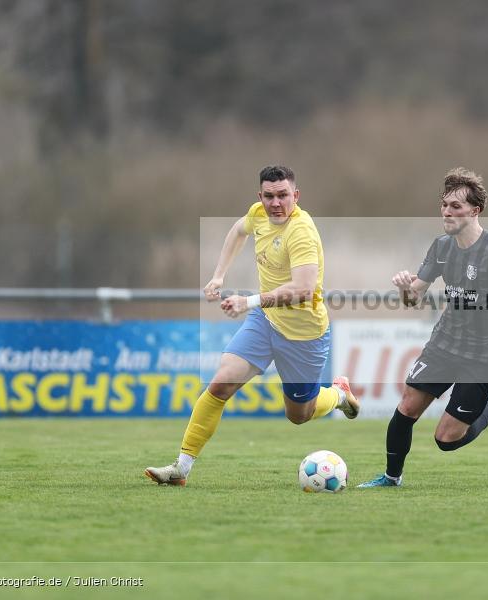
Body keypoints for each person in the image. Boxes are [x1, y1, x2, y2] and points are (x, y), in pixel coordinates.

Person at [145, 165, 359, 486]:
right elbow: (237, 231)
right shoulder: (258, 214)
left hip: (303, 335)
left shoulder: (301, 231)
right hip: (265, 322)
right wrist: (219, 274)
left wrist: (249, 301)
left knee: (299, 415)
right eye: (269, 196)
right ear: (260, 197)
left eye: (283, 196)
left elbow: (302, 289)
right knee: (220, 384)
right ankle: (181, 469)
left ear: (295, 196)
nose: (276, 203)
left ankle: (339, 395)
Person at [359, 167, 488, 488]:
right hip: (445, 343)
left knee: (446, 439)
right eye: (444, 205)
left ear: (475, 211)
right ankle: (391, 477)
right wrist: (405, 288)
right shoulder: (441, 247)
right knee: (407, 408)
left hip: (483, 354)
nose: (447, 211)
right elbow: (414, 298)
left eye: (455, 206)